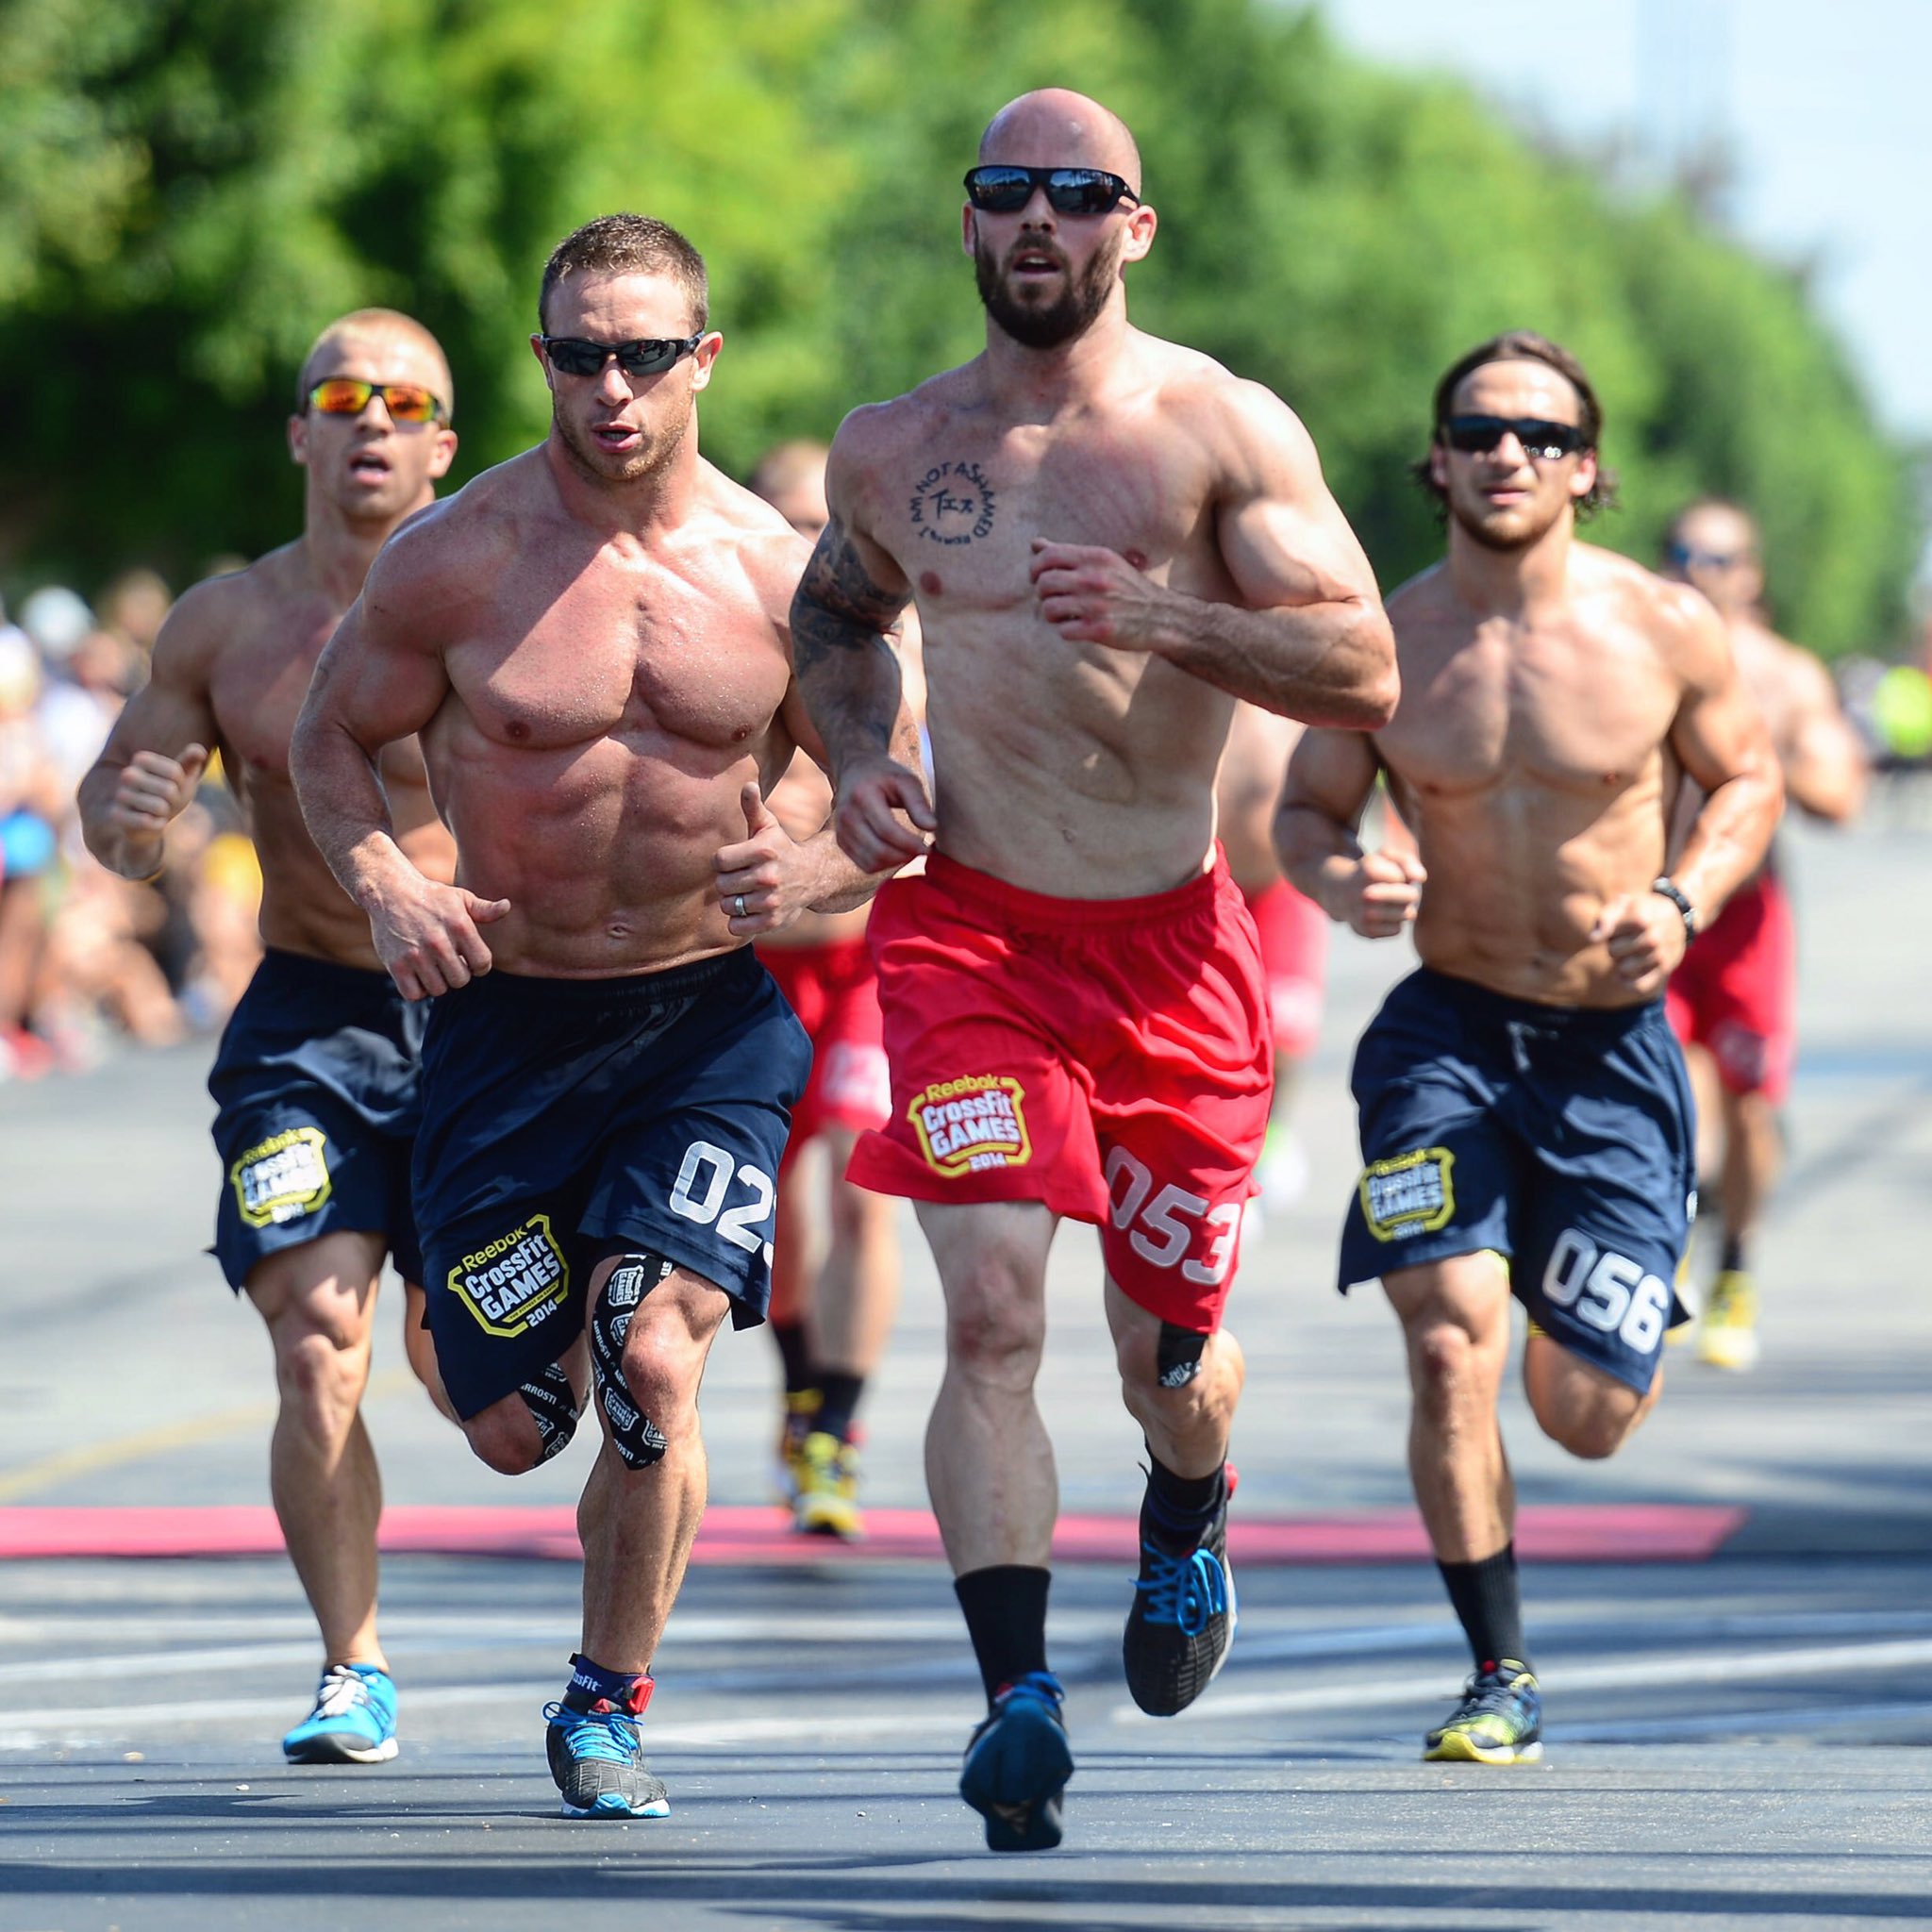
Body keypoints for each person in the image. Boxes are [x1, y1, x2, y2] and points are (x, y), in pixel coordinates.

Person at [790, 89, 1396, 1851]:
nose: (1036, 220)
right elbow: (836, 618)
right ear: (968, 223)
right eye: (1005, 191)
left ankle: (1186, 1508)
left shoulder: (1215, 428)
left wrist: (1166, 618)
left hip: (1169, 957)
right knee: (988, 1309)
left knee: (1167, 1362)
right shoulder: (894, 448)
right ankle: (1011, 1699)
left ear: (1135, 224)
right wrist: (856, 754)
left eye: (1076, 193)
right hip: (967, 930)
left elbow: (1358, 661)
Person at [290, 213, 913, 1821]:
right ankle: (515, 1308)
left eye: (645, 353)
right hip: (507, 1024)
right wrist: (383, 880)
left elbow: (886, 793)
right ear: (544, 359)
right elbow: (328, 744)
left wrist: (825, 861)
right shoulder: (458, 556)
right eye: (581, 353)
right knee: (508, 1423)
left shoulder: (790, 579)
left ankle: (606, 1696)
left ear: (701, 357)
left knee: (654, 1357)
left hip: (704, 1023)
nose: (613, 386)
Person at [1275, 331, 1782, 1766]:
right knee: (1449, 1345)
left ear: (1588, 469)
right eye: (1481, 429)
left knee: (1588, 1415)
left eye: (1543, 436)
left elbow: (1744, 779)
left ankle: (1627, 1304)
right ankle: (1499, 1671)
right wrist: (1342, 874)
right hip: (1444, 1032)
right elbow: (1307, 814)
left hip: (1611, 1046)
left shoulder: (1665, 627)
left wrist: (1683, 901)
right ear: (1437, 458)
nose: (1510, 453)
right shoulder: (1386, 639)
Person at [78, 308, 461, 1765]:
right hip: (308, 1014)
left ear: (440, 441)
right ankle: (351, 1664)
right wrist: (125, 829)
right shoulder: (225, 624)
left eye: (402, 401)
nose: (369, 420)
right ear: (299, 430)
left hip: (487, 1013)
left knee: (475, 1384)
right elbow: (121, 797)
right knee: (319, 1341)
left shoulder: (499, 606)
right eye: (340, 395)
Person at [747, 441, 915, 1539]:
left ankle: (836, 1430)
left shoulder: (897, 646)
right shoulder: (727, 634)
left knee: (860, 1187)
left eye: (820, 518)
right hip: (754, 968)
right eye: (780, 515)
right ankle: (801, 1389)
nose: (804, 540)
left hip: (864, 966)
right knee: (773, 1219)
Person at [1660, 501, 1867, 1369]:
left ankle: (1734, 1263)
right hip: (1657, 904)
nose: (1703, 570)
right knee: (1655, 1083)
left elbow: (1840, 794)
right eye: (1685, 553)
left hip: (1745, 918)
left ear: (1752, 575)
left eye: (1722, 556)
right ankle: (1645, 1257)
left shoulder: (1785, 676)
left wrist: (1760, 764)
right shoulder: (1632, 653)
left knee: (1749, 1105)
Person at [1214, 703, 1328, 1209]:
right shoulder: (1182, 671)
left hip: (1284, 882)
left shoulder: (1287, 678)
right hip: (1206, 885)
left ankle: (1271, 1132)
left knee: (1285, 1022)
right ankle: (1216, 1147)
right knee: (1213, 1028)